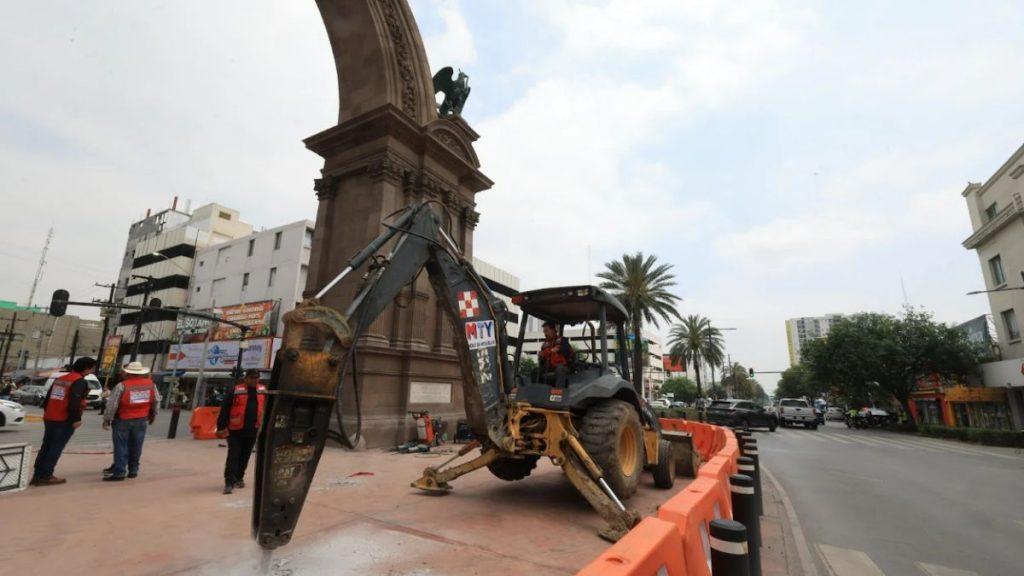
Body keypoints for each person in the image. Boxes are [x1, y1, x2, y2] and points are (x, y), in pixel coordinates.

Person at [31, 357, 96, 486]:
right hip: (63, 420)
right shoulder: (79, 381)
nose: (92, 370)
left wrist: (48, 412)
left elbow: (48, 399)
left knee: (46, 446)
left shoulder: (60, 379)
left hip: (50, 418)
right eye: (92, 368)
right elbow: (74, 402)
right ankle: (46, 475)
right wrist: (76, 419)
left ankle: (38, 474)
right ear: (86, 368)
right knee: (56, 447)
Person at [102, 361, 157, 481]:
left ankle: (120, 472)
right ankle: (133, 470)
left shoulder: (122, 385)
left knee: (121, 446)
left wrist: (107, 419)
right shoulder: (151, 384)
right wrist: (153, 415)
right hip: (142, 419)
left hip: (123, 419)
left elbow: (112, 404)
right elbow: (156, 400)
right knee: (137, 445)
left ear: (128, 372)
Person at [217, 369, 266, 494]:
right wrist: (222, 426)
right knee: (233, 456)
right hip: (235, 430)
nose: (254, 380)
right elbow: (225, 408)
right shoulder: (236, 390)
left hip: (253, 429)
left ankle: (239, 477)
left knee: (245, 456)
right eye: (251, 378)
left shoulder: (262, 390)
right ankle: (229, 482)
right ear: (246, 378)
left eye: (256, 378)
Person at [538, 321, 572, 386]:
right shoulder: (544, 345)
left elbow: (568, 351)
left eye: (546, 331)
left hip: (563, 367)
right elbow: (542, 363)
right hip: (548, 368)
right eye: (544, 331)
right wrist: (540, 357)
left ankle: (559, 391)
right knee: (536, 371)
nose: (545, 333)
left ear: (553, 330)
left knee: (560, 368)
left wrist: (559, 349)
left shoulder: (562, 340)